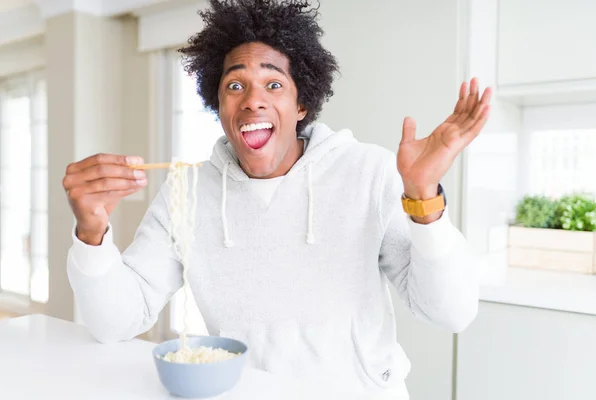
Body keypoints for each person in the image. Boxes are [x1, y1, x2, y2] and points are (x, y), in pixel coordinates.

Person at [63, 0, 491, 396]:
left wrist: (423, 198)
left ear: (302, 103)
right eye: (235, 86)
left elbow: (451, 313)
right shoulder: (187, 193)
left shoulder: (370, 173)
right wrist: (92, 232)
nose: (253, 102)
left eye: (273, 83)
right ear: (217, 102)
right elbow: (115, 322)